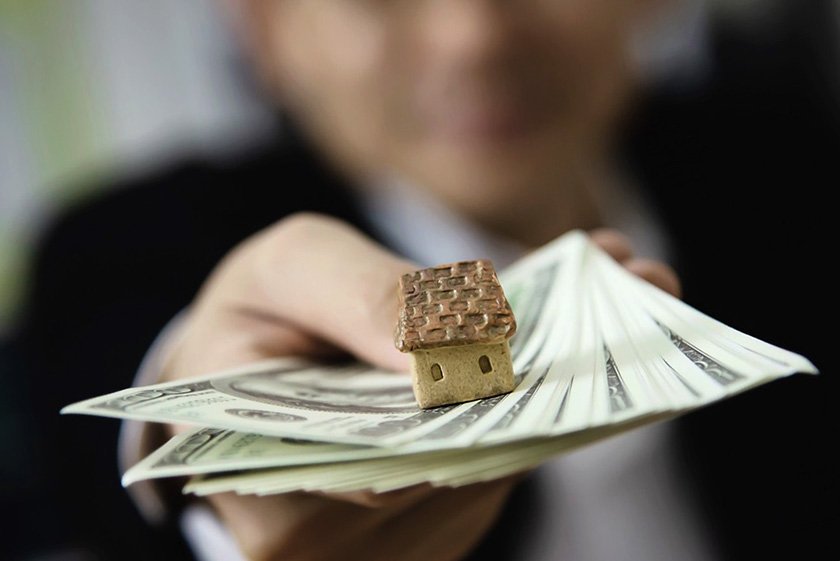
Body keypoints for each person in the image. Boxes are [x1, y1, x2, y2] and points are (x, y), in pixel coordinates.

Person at [9, 1, 837, 560]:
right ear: (263, 26)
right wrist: (217, 473)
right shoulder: (123, 244)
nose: (471, 35)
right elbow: (124, 387)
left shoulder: (791, 164)